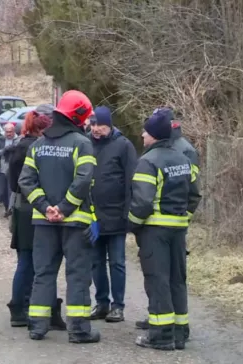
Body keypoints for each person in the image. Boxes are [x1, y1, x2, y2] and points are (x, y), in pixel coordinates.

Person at [18, 90, 99, 344]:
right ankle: (79, 331)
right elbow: (83, 180)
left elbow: (26, 181)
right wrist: (64, 209)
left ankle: (37, 327)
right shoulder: (82, 143)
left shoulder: (38, 145)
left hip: (43, 223)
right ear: (79, 116)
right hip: (75, 224)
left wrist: (46, 208)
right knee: (77, 276)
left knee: (43, 273)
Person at [128, 108, 202, 351]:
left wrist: (132, 226)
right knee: (177, 280)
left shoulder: (148, 162)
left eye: (145, 132)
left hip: (155, 232)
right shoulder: (184, 159)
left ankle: (161, 335)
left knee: (158, 281)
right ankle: (180, 333)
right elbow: (194, 196)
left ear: (155, 136)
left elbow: (142, 203)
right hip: (178, 232)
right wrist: (183, 219)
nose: (142, 135)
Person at [6, 104, 66, 331]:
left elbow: (13, 184)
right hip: (33, 211)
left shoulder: (22, 147)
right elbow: (20, 183)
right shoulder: (34, 149)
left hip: (24, 211)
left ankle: (24, 308)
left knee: (30, 262)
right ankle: (26, 307)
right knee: (34, 263)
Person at [86, 106, 137, 323]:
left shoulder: (123, 146)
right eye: (94, 125)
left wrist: (128, 213)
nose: (97, 129)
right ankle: (102, 303)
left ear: (110, 125)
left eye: (102, 126)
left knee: (117, 262)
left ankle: (118, 306)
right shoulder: (85, 144)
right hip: (92, 216)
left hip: (116, 215)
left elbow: (131, 182)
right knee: (96, 262)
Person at [0, 123, 20, 217]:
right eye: (7, 132)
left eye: (10, 132)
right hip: (1, 170)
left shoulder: (18, 140)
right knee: (1, 192)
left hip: (13, 170)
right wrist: (2, 151)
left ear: (14, 131)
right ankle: (6, 207)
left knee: (11, 191)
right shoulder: (0, 140)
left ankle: (10, 210)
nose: (9, 134)